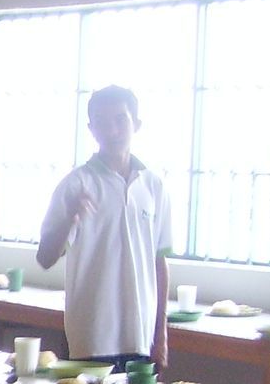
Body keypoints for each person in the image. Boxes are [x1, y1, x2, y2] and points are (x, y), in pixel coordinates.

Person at [35, 85, 172, 365]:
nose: (112, 130)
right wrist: (70, 218)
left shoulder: (154, 186)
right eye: (101, 122)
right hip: (92, 335)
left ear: (137, 124)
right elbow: (45, 258)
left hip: (140, 335)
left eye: (120, 120)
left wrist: (162, 335)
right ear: (91, 128)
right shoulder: (76, 184)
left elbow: (159, 262)